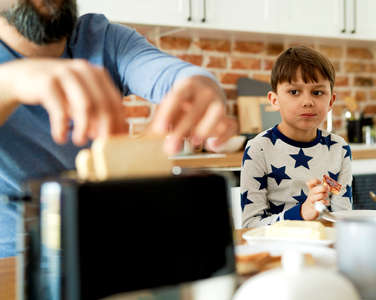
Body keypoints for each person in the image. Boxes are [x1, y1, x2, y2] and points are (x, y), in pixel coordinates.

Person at [0, 0, 236, 257]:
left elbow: (174, 75)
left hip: (102, 253)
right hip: (10, 264)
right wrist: (11, 82)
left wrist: (202, 84)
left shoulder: (102, 38)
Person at [240, 46, 352, 228]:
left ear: (331, 101)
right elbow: (251, 225)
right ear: (274, 100)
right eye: (294, 92)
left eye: (317, 92)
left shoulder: (340, 149)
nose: (307, 101)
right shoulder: (258, 149)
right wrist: (301, 212)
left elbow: (342, 217)